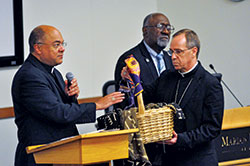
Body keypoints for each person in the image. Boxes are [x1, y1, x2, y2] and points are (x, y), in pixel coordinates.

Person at [11, 25, 124, 166]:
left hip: (62, 153)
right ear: (38, 48)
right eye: (56, 44)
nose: (62, 49)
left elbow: (66, 112)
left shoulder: (53, 73)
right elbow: (59, 113)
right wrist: (97, 105)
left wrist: (70, 97)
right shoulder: (29, 76)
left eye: (62, 44)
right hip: (41, 156)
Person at [122, 29, 224, 166]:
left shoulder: (210, 84)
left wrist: (180, 139)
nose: (173, 57)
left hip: (197, 160)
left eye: (178, 51)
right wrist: (131, 79)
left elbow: (212, 128)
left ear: (194, 51)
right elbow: (143, 97)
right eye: (172, 51)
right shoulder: (166, 77)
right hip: (168, 159)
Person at [114, 13, 175, 166]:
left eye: (168, 27)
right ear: (145, 31)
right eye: (161, 26)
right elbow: (125, 104)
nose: (166, 31)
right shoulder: (130, 59)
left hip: (170, 138)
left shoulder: (171, 59)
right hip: (144, 142)